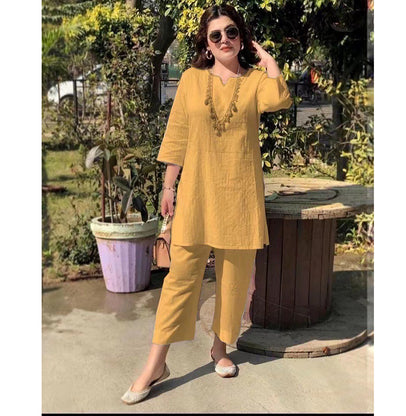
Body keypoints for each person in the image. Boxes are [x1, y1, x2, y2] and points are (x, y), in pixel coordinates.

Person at [121, 3, 292, 405]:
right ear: (206, 43)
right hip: (197, 194)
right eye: (216, 35)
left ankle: (220, 348)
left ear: (241, 38)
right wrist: (168, 187)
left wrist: (265, 57)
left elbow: (279, 98)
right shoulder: (191, 79)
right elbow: (178, 133)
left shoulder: (254, 81)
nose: (224, 40)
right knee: (180, 279)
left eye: (232, 32)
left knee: (233, 279)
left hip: (239, 195)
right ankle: (155, 363)